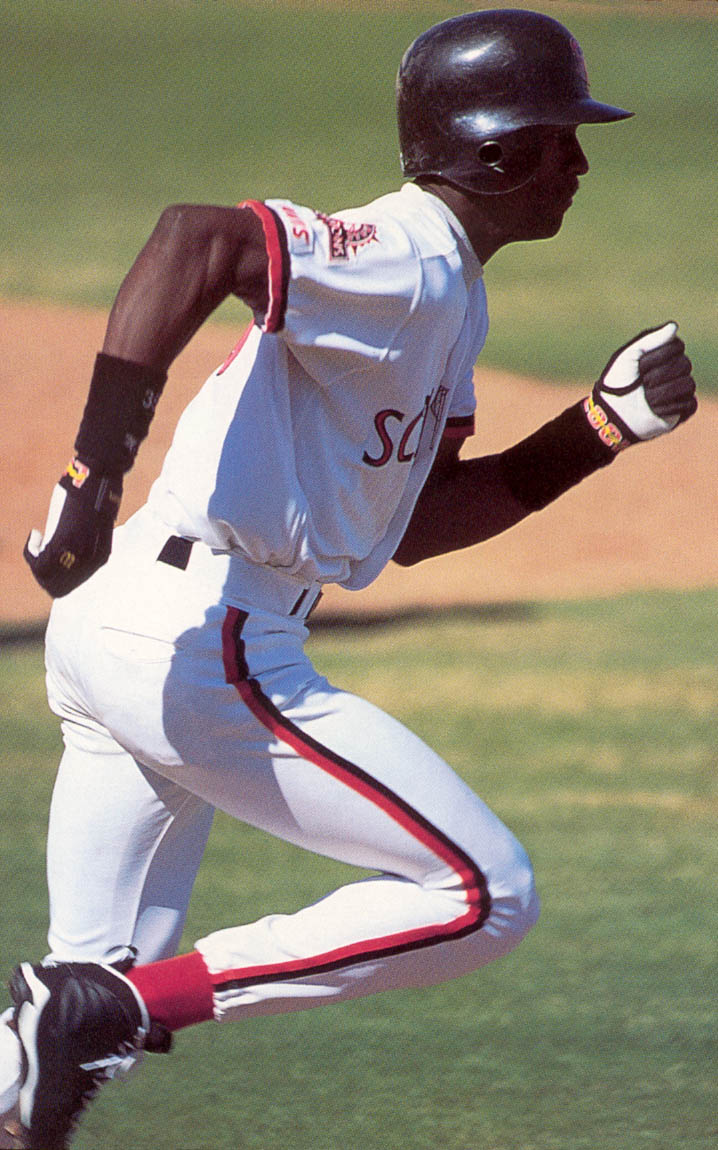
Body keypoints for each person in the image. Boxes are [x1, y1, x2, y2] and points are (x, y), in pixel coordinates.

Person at [2, 9, 697, 1149]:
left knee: (51, 1055)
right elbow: (196, 240)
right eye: (558, 135)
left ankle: (91, 1015)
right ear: (491, 153)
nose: (577, 162)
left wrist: (598, 427)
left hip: (133, 635)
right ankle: (119, 1006)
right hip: (203, 640)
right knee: (481, 895)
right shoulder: (409, 256)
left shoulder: (451, 292)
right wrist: (91, 472)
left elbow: (419, 524)